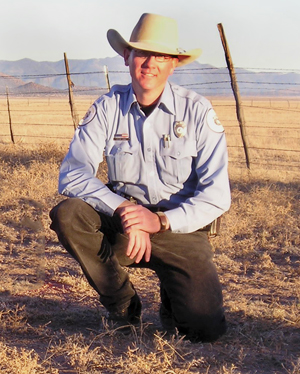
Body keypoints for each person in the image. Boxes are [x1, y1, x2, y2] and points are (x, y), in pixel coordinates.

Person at [50, 13, 231, 343]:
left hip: (179, 230)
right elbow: (72, 173)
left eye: (160, 55)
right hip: (123, 227)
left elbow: (217, 195)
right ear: (126, 57)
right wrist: (125, 211)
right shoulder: (107, 108)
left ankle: (173, 299)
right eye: (142, 53)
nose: (150, 63)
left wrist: (159, 221)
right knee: (69, 214)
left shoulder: (198, 112)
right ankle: (122, 304)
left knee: (204, 331)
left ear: (174, 64)